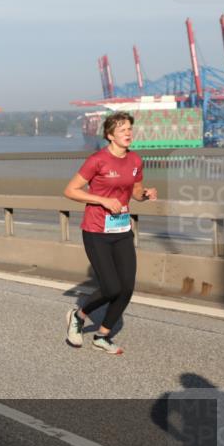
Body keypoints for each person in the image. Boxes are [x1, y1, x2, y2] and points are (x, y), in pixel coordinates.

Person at [63, 112, 157, 356]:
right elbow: (70, 190)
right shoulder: (98, 160)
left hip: (122, 230)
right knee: (111, 287)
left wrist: (146, 194)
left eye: (129, 129)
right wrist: (102, 200)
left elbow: (135, 192)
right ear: (109, 135)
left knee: (126, 288)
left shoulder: (135, 160)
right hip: (96, 231)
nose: (128, 133)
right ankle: (78, 315)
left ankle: (102, 336)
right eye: (122, 129)